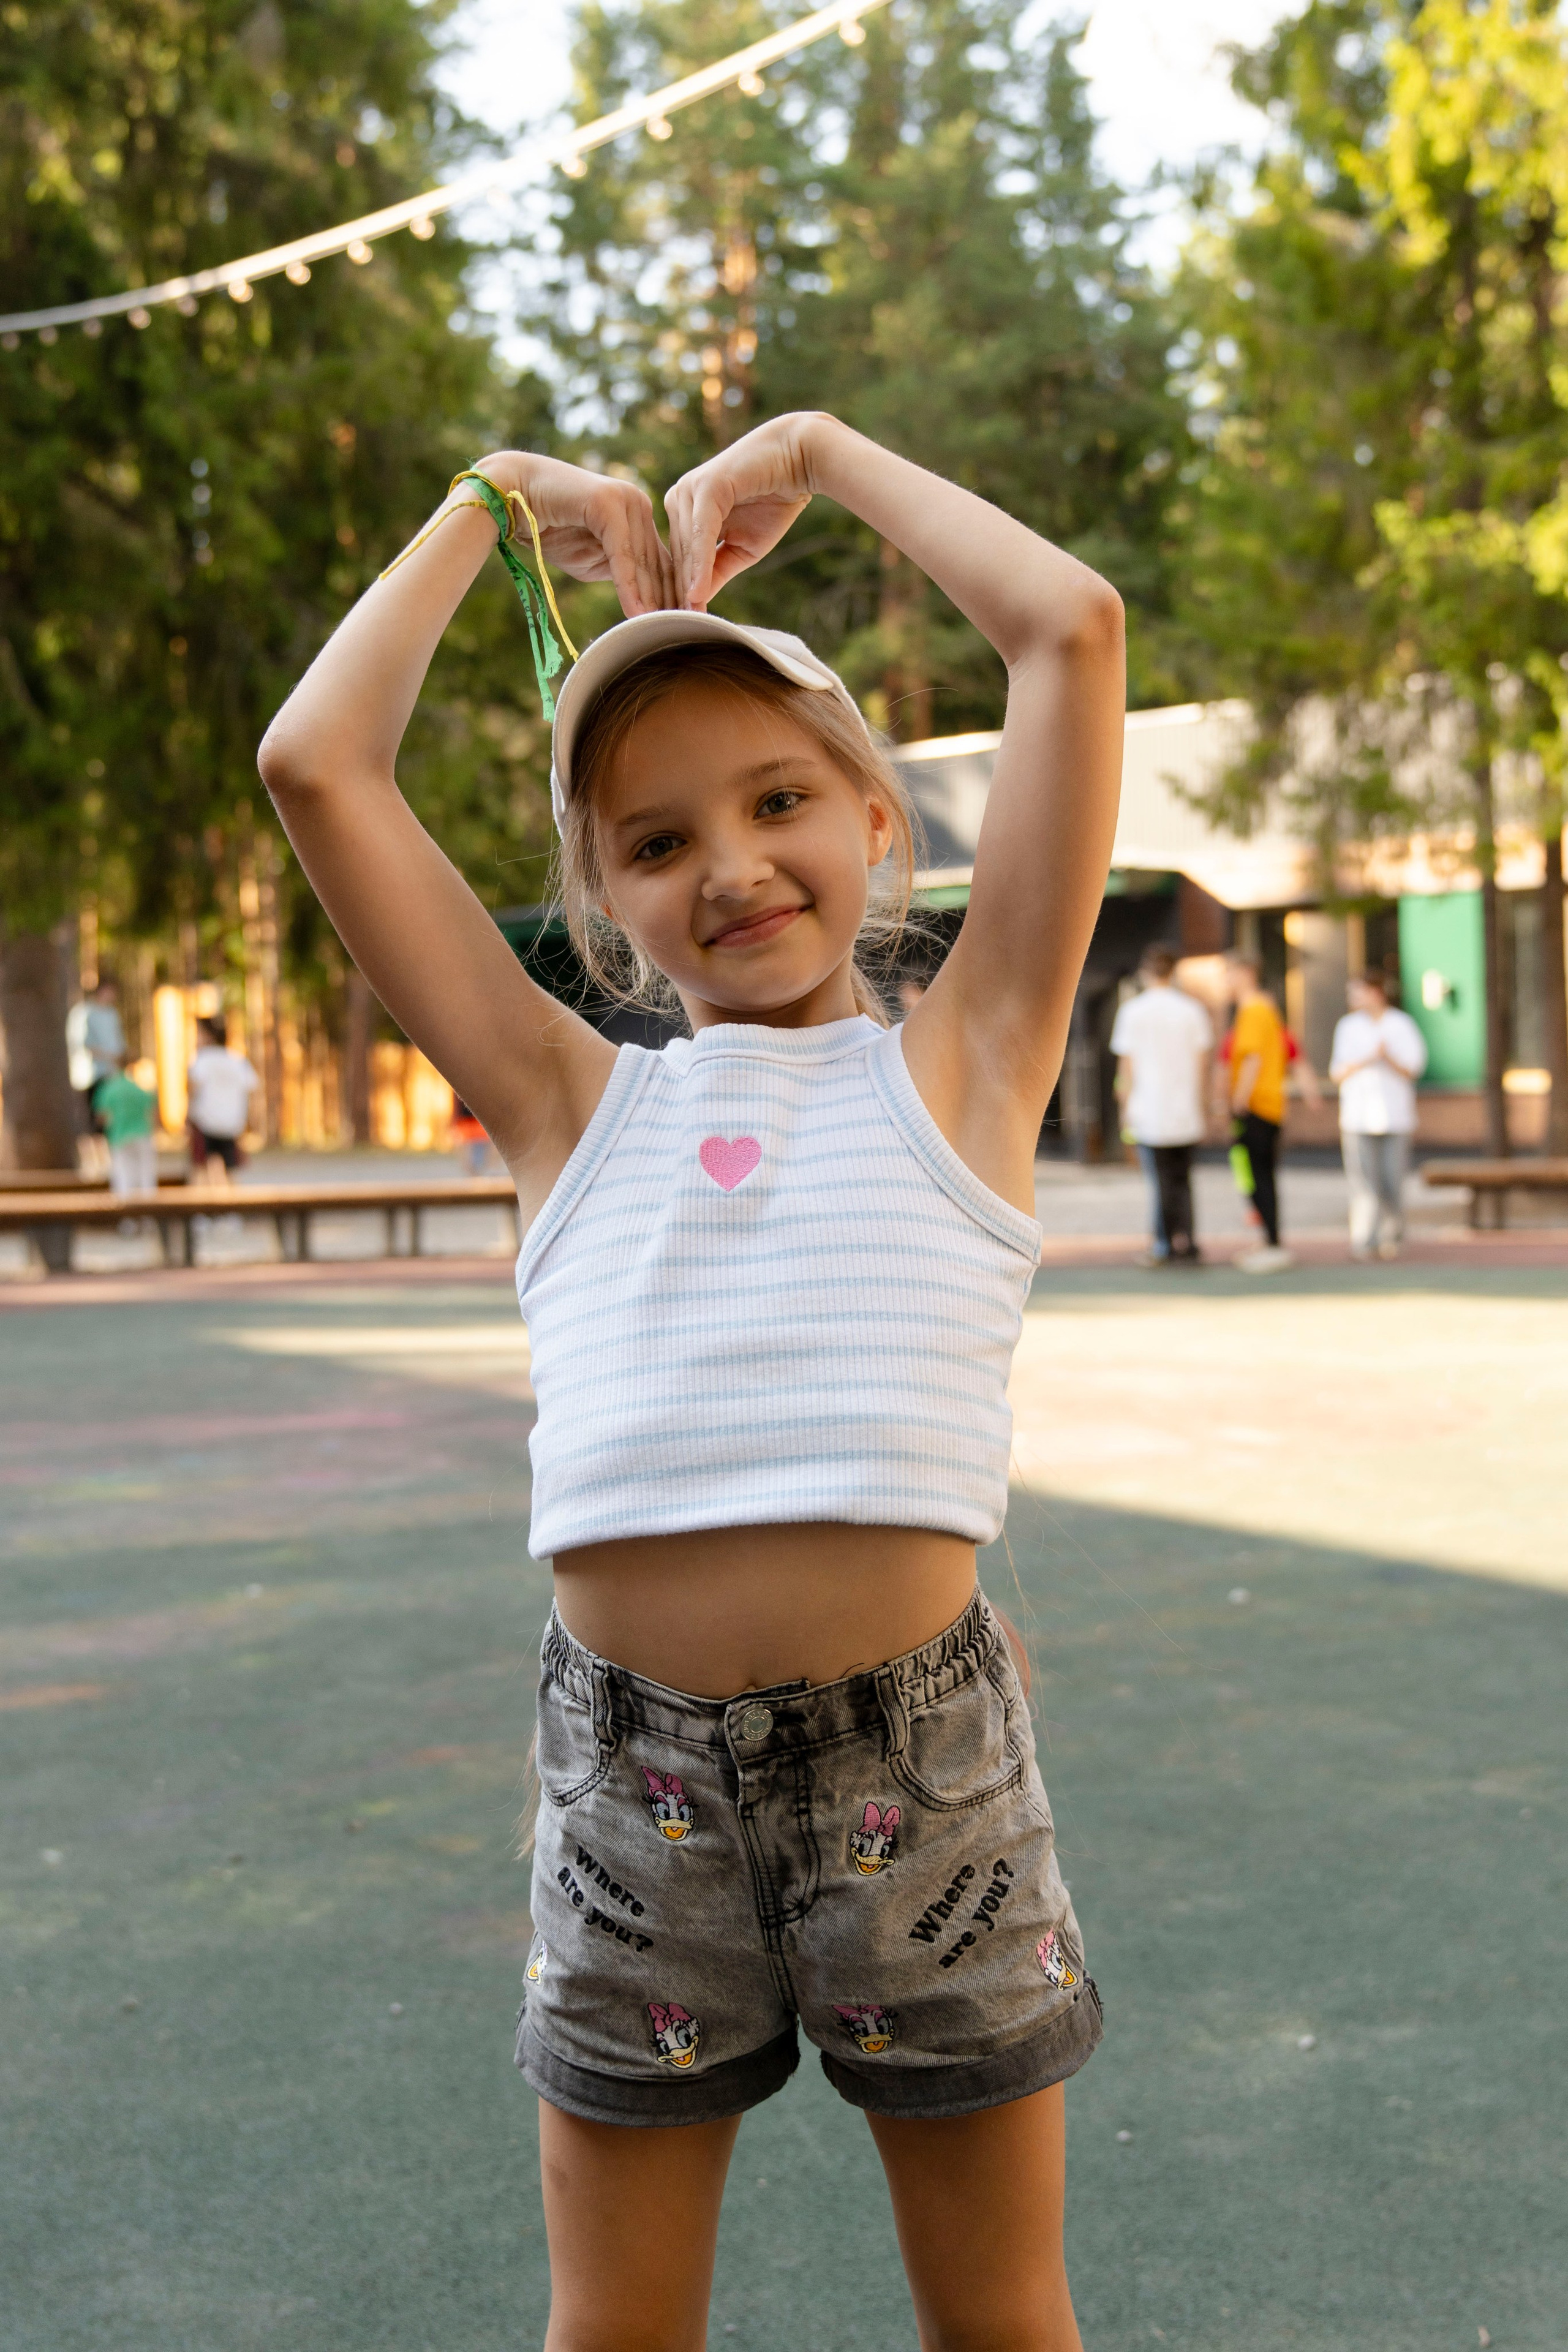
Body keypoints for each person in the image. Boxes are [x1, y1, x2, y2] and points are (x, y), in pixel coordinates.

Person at [258, 410, 1125, 2351]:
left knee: (1001, 2319)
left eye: (777, 802)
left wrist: (816, 455)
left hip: (923, 1760)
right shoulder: (570, 1102)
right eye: (655, 841)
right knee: (617, 2327)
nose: (729, 868)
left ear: (877, 820)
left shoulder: (964, 1060)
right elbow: (316, 761)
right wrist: (490, 508)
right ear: (602, 901)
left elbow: (1066, 627)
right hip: (632, 1774)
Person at [1110, 943, 1212, 1265]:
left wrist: (1125, 1105)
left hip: (1149, 1106)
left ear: (1145, 973)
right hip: (1184, 1107)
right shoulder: (1192, 1010)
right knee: (1183, 1178)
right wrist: (1204, 1104)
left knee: (1159, 1180)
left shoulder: (1132, 1011)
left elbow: (1126, 1066)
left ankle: (1164, 1243)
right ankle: (1189, 1242)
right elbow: (1202, 1064)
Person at [1329, 971, 1427, 1260]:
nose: (1353, 999)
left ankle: (1393, 1236)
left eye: (1358, 992)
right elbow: (1338, 1071)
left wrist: (1388, 1057)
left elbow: (1414, 1069)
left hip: (1395, 1116)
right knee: (1363, 1182)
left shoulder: (1401, 1025)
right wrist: (1369, 1058)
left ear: (1376, 993)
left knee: (1391, 1179)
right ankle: (1364, 1240)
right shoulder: (1348, 1027)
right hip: (1357, 1117)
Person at [1223, 950, 1295, 1273]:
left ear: (1245, 973)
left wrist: (1237, 1101)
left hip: (1257, 1106)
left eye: (1228, 973)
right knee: (1261, 1175)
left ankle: (1271, 1242)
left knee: (1258, 1177)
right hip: (1269, 1103)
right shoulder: (1267, 1009)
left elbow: (1252, 1059)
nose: (1224, 981)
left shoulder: (1253, 1011)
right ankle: (1269, 1239)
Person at [186, 1019, 259, 1183]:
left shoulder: (201, 1060)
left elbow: (192, 1091)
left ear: (209, 1036)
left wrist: (188, 1119)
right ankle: (232, 1207)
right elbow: (251, 1088)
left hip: (205, 1123)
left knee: (200, 1172)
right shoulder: (238, 1060)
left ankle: (199, 1207)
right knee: (230, 1172)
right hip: (231, 1124)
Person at [94, 1055, 159, 1201]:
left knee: (123, 1178)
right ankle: (147, 1215)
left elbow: (102, 1116)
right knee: (146, 1177)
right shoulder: (140, 1087)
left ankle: (127, 1219)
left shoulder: (109, 1088)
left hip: (119, 1136)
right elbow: (153, 1112)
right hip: (142, 1134)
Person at [66, 979, 126, 1129]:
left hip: (110, 1073)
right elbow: (79, 1043)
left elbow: (118, 1042)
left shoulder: (112, 1014)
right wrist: (105, 1055)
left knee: (108, 1117)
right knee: (91, 1118)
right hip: (89, 1075)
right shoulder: (83, 1012)